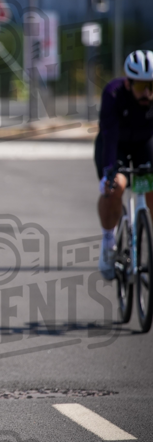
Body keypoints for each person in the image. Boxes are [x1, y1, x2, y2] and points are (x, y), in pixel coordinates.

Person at [96, 50, 153, 279]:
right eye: (141, 87)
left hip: (144, 144)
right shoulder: (113, 93)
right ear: (128, 83)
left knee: (151, 191)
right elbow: (109, 134)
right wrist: (110, 171)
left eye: (152, 86)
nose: (147, 94)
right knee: (116, 186)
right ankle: (108, 240)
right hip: (115, 144)